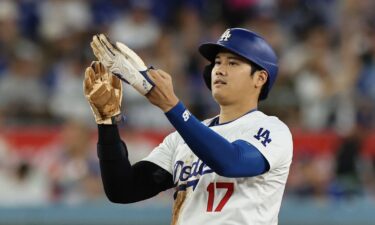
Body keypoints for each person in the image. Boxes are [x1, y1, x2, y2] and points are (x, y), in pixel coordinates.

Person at [83, 28, 293, 225]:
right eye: (217, 62)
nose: (220, 69)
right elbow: (123, 189)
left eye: (233, 63)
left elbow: (232, 162)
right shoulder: (181, 138)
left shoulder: (272, 129)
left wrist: (172, 106)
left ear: (260, 78)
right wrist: (107, 122)